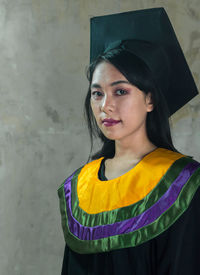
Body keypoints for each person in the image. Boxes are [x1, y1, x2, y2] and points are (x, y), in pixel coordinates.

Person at [58, 8, 200, 275]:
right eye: (97, 93)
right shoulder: (79, 187)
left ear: (150, 99)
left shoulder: (182, 183)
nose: (105, 106)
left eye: (120, 91)